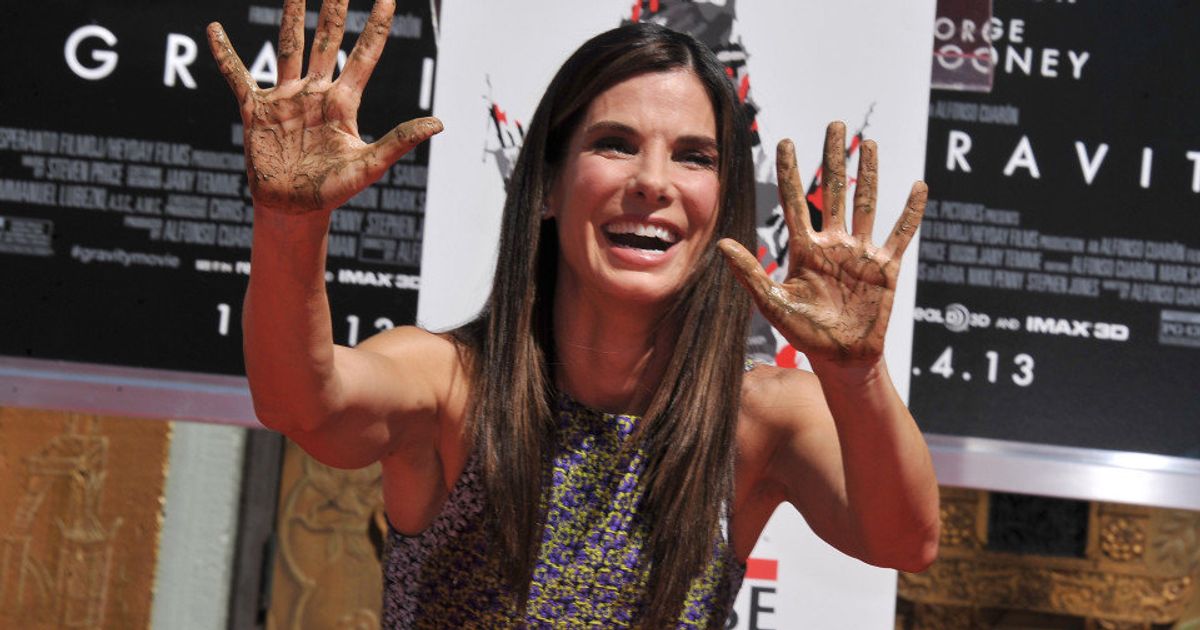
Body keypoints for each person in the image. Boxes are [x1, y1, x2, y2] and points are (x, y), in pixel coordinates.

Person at [207, 0, 940, 627]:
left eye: (694, 156)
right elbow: (300, 402)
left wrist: (856, 372)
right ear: (549, 185)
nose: (653, 182)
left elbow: (906, 544)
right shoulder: (453, 384)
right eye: (615, 145)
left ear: (725, 205)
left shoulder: (758, 419)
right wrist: (288, 223)